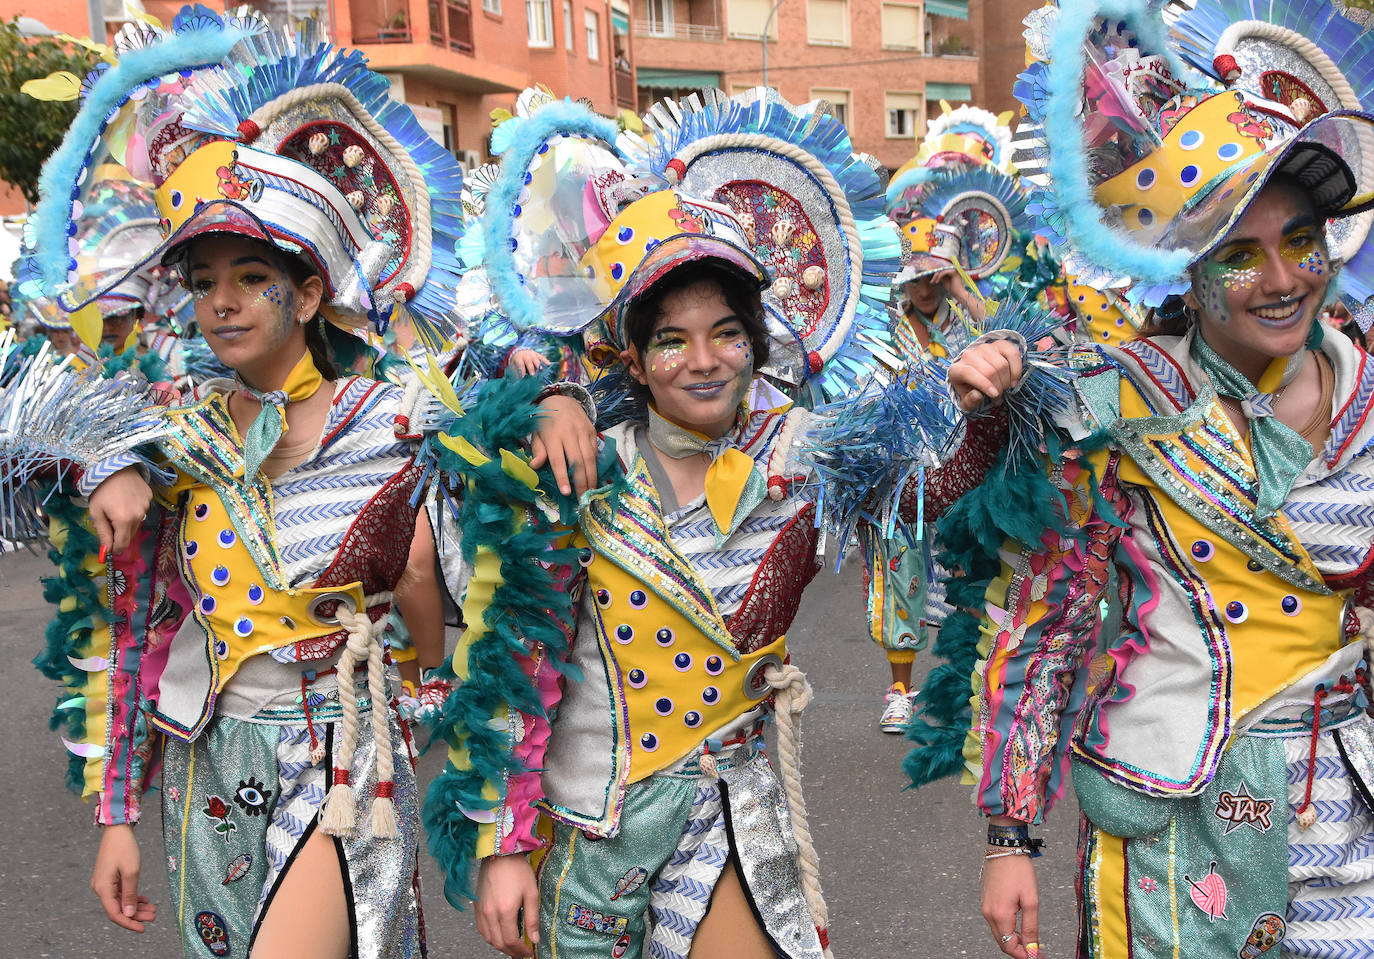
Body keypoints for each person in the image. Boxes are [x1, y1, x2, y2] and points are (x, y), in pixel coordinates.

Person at [16, 11, 594, 958]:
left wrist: (560, 395)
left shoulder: (402, 416)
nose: (224, 301)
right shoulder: (165, 433)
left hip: (345, 753)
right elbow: (121, 626)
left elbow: (510, 609)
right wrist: (117, 809)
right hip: (208, 769)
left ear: (312, 292)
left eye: (251, 274)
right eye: (203, 281)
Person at [422, 90, 1006, 959]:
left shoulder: (808, 451)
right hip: (595, 826)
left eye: (727, 333)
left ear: (758, 341)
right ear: (632, 356)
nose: (703, 360)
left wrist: (987, 396)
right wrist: (503, 843)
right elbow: (517, 657)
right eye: (672, 339)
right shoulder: (578, 461)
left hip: (731, 806)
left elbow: (937, 490)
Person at [930, 1, 1374, 955]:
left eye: (1300, 240)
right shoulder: (1115, 403)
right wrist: (1011, 836)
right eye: (1240, 256)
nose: (1283, 278)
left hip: (1341, 808)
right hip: (1175, 812)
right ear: (1184, 269)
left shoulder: (1370, 394)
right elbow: (1043, 615)